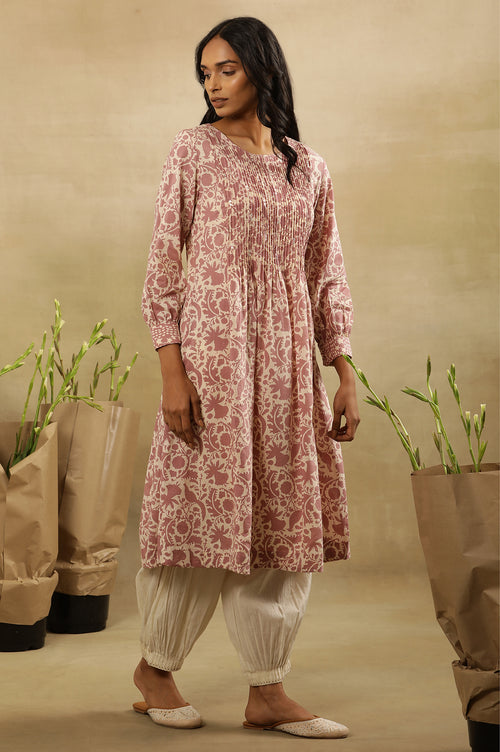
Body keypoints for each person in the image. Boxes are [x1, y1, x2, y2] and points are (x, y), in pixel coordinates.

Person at [133, 16, 360, 739]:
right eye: (205, 73)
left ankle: (268, 689)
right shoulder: (193, 151)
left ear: (262, 68)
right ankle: (155, 668)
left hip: (288, 373)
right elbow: (164, 265)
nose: (213, 84)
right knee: (200, 517)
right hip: (214, 367)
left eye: (226, 69)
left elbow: (326, 275)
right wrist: (172, 372)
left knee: (281, 524)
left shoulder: (308, 167)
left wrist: (343, 372)